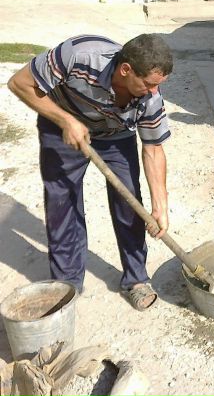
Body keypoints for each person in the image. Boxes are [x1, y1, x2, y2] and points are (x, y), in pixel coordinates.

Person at [7, 33, 173, 311]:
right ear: (125, 70)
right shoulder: (77, 55)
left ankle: (136, 279)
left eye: (158, 86)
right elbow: (20, 83)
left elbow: (154, 149)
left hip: (115, 133)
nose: (154, 91)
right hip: (62, 124)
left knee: (130, 202)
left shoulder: (150, 98)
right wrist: (65, 120)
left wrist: (161, 204)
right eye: (149, 84)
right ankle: (67, 283)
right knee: (63, 202)